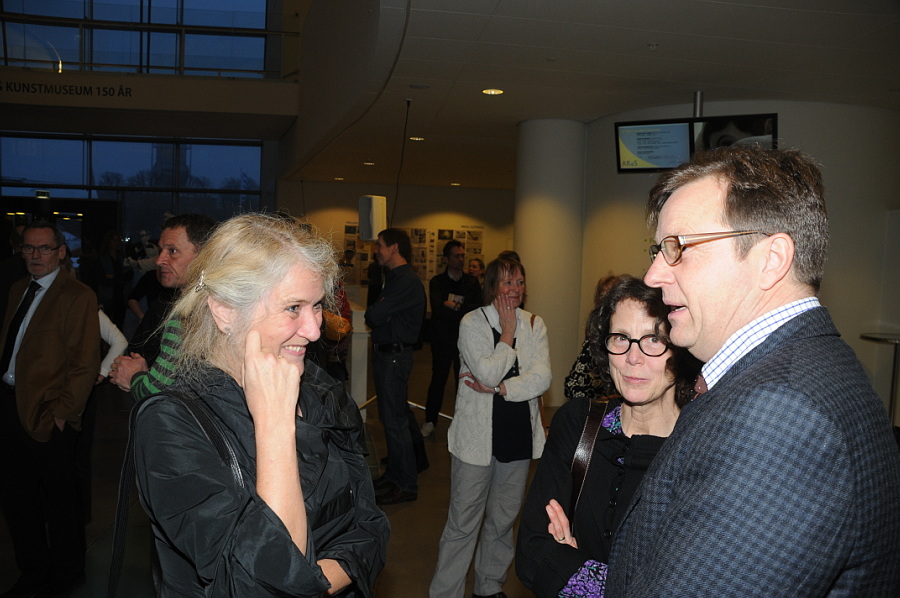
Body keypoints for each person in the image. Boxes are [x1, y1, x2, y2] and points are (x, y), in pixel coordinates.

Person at [607, 145, 900, 596]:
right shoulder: (805, 370)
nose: (653, 275)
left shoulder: (780, 415)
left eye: (678, 248)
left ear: (771, 259)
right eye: (658, 250)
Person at [132, 213, 389, 596]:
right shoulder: (171, 424)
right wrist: (274, 424)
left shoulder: (318, 386)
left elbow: (371, 525)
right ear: (224, 310)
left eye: (317, 306)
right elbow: (262, 584)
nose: (314, 330)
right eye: (293, 307)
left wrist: (313, 582)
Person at [515, 275, 701, 597]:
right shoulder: (578, 425)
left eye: (653, 340)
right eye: (620, 338)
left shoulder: (697, 449)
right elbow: (531, 554)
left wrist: (571, 571)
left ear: (680, 348)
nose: (633, 357)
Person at [429, 256, 551, 598]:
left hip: (517, 437)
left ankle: (489, 586)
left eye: (520, 282)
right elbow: (486, 371)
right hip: (476, 442)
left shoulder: (535, 324)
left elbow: (541, 378)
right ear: (492, 287)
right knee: (462, 523)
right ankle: (445, 593)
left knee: (502, 521)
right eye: (507, 282)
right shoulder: (472, 322)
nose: (515, 289)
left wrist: (500, 389)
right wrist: (507, 334)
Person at [0, 221, 100, 598]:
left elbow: (84, 363)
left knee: (60, 502)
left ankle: (66, 574)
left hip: (48, 414)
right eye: (28, 248)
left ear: (60, 251)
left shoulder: (77, 295)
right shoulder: (17, 289)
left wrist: (62, 414)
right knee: (17, 500)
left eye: (43, 248)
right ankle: (33, 571)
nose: (35, 255)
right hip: (10, 407)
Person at [109, 213, 215, 399]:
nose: (159, 260)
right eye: (161, 250)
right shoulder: (225, 301)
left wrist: (133, 377)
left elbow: (154, 391)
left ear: (203, 256)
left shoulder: (188, 313)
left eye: (172, 251)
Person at [365, 228, 427, 505]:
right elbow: (377, 315)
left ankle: (405, 483)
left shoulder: (405, 281)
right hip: (388, 356)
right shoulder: (395, 279)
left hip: (394, 357)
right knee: (391, 418)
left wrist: (382, 311)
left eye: (380, 245)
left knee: (394, 421)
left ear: (394, 248)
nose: (376, 250)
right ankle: (394, 475)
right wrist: (382, 312)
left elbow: (374, 314)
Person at [422, 240, 482, 438]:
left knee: (463, 382)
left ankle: (463, 422)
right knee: (438, 380)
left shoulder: (471, 282)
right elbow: (438, 308)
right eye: (457, 256)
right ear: (446, 259)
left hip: (465, 340)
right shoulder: (437, 282)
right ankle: (430, 420)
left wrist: (454, 305)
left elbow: (477, 308)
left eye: (462, 256)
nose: (461, 259)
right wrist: (461, 307)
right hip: (442, 339)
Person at [563, 274, 622, 402]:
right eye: (602, 297)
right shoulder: (594, 334)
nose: (605, 302)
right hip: (591, 400)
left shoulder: (624, 337)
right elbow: (572, 383)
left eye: (610, 296)